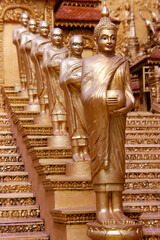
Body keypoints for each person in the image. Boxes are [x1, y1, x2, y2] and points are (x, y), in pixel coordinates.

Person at [81, 17, 135, 225]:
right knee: (102, 161)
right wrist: (103, 98)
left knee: (116, 161)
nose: (109, 41)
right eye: (104, 38)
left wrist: (126, 104)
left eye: (112, 38)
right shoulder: (89, 63)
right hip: (98, 119)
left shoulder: (122, 62)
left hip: (116, 120)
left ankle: (117, 208)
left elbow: (129, 93)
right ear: (96, 41)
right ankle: (103, 208)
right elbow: (85, 95)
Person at [60, 35, 90, 161]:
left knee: (85, 124)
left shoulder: (87, 62)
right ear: (70, 46)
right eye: (75, 44)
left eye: (80, 44)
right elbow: (62, 81)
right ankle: (76, 151)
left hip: (84, 97)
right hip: (72, 96)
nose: (78, 47)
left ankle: (85, 150)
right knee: (75, 124)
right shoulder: (65, 62)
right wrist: (71, 79)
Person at [43, 28, 69, 135]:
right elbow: (45, 65)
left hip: (63, 81)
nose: (57, 38)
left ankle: (63, 128)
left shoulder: (67, 51)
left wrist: (62, 64)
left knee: (64, 104)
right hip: (53, 80)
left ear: (63, 38)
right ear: (51, 37)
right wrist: (53, 64)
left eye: (60, 36)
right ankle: (56, 128)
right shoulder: (48, 51)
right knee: (55, 103)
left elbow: (70, 64)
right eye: (55, 35)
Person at [31, 20, 51, 119]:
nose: (44, 30)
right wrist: (39, 53)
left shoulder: (51, 41)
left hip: (50, 70)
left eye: (46, 28)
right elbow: (32, 54)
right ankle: (43, 109)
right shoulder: (36, 41)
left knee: (50, 89)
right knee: (42, 88)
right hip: (40, 68)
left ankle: (50, 109)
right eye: (42, 28)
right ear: (39, 29)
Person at [20, 19, 39, 105]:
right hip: (29, 59)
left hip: (37, 61)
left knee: (39, 79)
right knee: (31, 77)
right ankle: (31, 97)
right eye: (31, 25)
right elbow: (22, 47)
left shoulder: (38, 36)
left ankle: (38, 97)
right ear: (28, 26)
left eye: (35, 25)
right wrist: (31, 46)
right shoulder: (25, 36)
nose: (33, 27)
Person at [13, 12, 29, 93]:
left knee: (29, 69)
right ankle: (23, 85)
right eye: (23, 18)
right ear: (20, 20)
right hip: (21, 51)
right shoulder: (17, 30)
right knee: (22, 67)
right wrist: (21, 37)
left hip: (29, 52)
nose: (25, 20)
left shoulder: (30, 30)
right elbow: (14, 40)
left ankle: (29, 86)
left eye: (27, 19)